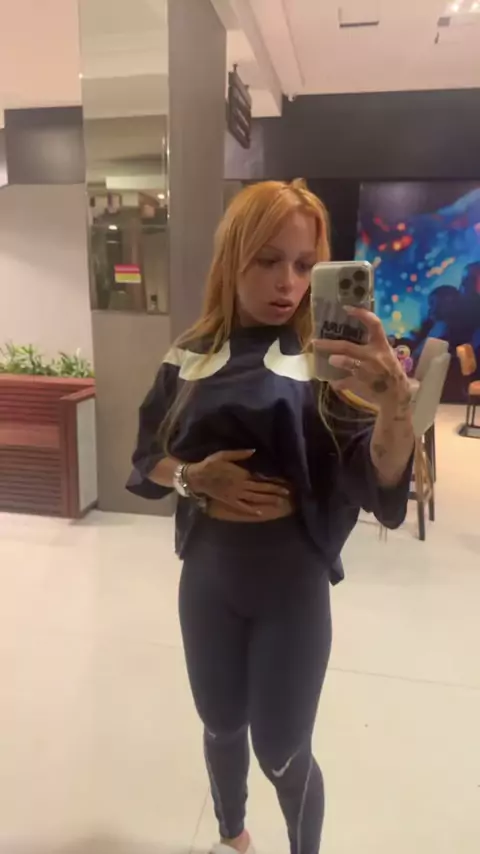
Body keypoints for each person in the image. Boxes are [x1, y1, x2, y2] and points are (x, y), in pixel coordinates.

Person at [127, 180, 414, 854]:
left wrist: (395, 408)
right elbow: (147, 458)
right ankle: (233, 837)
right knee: (220, 724)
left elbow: (377, 479)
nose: (288, 282)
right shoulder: (189, 354)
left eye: (304, 263)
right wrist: (192, 478)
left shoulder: (329, 363)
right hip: (208, 579)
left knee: (283, 750)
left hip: (292, 589)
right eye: (267, 260)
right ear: (233, 257)